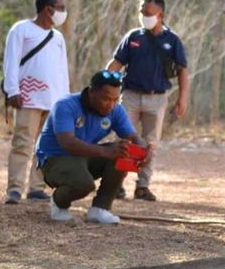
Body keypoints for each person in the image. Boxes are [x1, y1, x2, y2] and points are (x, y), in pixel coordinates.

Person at [105, 0, 189, 201]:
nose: (144, 16)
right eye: (141, 12)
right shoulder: (133, 37)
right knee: (123, 139)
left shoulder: (172, 41)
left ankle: (143, 186)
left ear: (160, 14)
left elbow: (182, 71)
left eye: (148, 13)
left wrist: (183, 98)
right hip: (130, 96)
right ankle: (116, 184)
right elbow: (116, 64)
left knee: (151, 143)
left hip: (157, 98)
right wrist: (104, 85)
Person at [35, 70, 145, 224]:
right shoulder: (65, 105)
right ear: (92, 91)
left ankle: (100, 209)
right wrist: (105, 151)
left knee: (122, 153)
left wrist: (143, 151)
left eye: (115, 99)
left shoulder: (116, 110)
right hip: (55, 158)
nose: (111, 105)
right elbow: (68, 143)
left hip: (83, 156)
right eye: (106, 99)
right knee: (84, 184)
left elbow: (133, 137)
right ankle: (58, 203)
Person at [2, 0, 70, 204]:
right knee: (22, 143)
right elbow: (10, 62)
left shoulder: (58, 37)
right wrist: (12, 90)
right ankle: (14, 189)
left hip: (53, 101)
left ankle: (36, 188)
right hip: (27, 98)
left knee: (46, 146)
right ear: (48, 9)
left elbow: (62, 71)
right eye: (61, 8)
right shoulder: (21, 30)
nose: (63, 12)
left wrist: (66, 101)